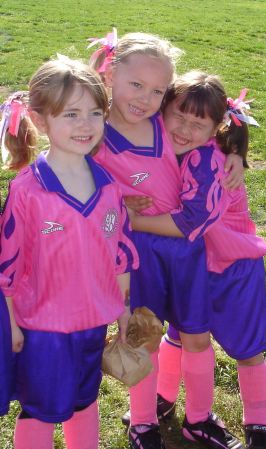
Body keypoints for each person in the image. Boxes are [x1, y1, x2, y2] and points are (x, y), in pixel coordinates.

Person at [89, 30, 244, 449]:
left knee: (196, 336)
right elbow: (79, 195)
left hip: (188, 251)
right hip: (139, 255)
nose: (144, 98)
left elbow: (210, 124)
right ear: (108, 76)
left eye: (157, 91)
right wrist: (121, 208)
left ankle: (198, 419)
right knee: (145, 335)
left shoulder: (164, 122)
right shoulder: (94, 137)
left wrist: (235, 151)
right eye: (136, 85)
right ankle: (143, 422)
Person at [129, 71, 266, 449]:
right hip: (188, 264)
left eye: (198, 124)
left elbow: (191, 221)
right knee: (179, 335)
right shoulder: (161, 141)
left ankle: (259, 425)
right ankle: (161, 400)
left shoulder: (211, 162)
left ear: (215, 129)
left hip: (231, 267)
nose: (184, 129)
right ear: (164, 110)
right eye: (179, 116)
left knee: (248, 349)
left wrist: (134, 220)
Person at [0, 57, 139, 449]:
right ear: (40, 120)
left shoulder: (109, 186)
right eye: (71, 114)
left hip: (93, 322)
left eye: (95, 113)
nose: (86, 125)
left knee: (85, 401)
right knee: (41, 409)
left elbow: (120, 253)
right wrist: (10, 323)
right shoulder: (27, 191)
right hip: (43, 328)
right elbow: (6, 263)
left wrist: (123, 309)